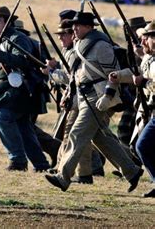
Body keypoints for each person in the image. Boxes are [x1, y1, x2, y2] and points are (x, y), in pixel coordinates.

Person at [45, 12, 143, 192]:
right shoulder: (78, 45)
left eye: (79, 25)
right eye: (74, 25)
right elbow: (75, 76)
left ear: (90, 27)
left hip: (98, 98)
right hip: (84, 98)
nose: (74, 28)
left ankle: (63, 176)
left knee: (77, 134)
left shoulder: (101, 46)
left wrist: (108, 96)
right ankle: (132, 171)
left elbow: (113, 75)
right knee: (101, 139)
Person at [0, 6, 50, 172]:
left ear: (8, 21)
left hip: (20, 88)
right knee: (24, 128)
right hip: (3, 88)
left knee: (3, 117)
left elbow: (23, 61)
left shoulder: (18, 38)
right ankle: (41, 164)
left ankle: (18, 160)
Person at [109, 21, 155, 198]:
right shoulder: (148, 58)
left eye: (147, 38)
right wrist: (119, 76)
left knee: (142, 145)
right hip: (151, 110)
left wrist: (143, 83)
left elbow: (143, 79)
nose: (142, 42)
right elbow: (138, 74)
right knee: (141, 145)